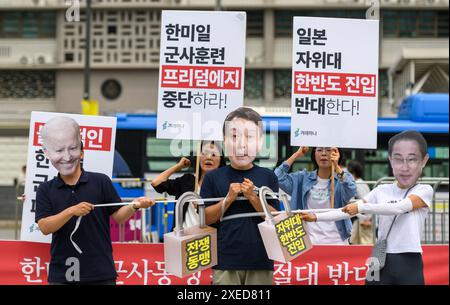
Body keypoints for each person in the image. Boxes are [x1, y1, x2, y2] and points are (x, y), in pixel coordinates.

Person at [302, 131, 433, 285]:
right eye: (398, 159)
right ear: (390, 160)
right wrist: (315, 217)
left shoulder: (424, 190)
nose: (405, 167)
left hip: (409, 258)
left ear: (424, 161)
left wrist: (363, 207)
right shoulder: (381, 190)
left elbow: (399, 208)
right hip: (379, 255)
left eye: (412, 160)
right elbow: (346, 211)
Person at [35, 116, 155, 285]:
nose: (67, 157)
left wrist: (134, 205)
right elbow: (45, 227)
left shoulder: (101, 181)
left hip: (101, 273)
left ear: (82, 152)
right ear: (47, 153)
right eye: (59, 151)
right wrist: (71, 211)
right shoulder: (45, 189)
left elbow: (119, 217)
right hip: (62, 275)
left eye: (73, 149)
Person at [201, 107, 280, 285]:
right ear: (224, 141)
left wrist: (253, 197)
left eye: (249, 137)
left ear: (259, 142)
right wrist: (228, 198)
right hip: (225, 260)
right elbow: (205, 218)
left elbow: (276, 218)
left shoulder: (268, 176)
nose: (241, 144)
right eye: (234, 136)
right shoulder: (213, 177)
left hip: (261, 259)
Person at [274, 146, 356, 245]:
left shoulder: (342, 179)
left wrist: (337, 167)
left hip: (337, 242)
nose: (324, 153)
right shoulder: (302, 178)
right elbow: (278, 176)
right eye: (319, 150)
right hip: (308, 242)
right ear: (314, 154)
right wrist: (297, 155)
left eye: (329, 150)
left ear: (337, 154)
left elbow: (351, 189)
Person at [151, 141, 226, 230]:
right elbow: (156, 183)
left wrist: (200, 207)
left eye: (214, 155)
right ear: (198, 158)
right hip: (183, 239)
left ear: (220, 160)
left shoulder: (224, 185)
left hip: (209, 240)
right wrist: (178, 166)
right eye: (204, 153)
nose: (208, 157)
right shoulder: (187, 180)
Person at [347, 160, 373, 245]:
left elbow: (365, 202)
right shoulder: (362, 182)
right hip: (363, 218)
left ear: (352, 172)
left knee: (361, 244)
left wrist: (365, 218)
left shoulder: (356, 184)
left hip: (362, 220)